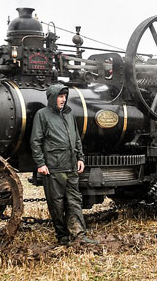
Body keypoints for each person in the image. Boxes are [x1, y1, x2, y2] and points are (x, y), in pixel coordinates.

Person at [30, 83, 98, 245]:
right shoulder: (42, 115)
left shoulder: (69, 114)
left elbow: (76, 139)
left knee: (74, 200)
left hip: (71, 166)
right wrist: (40, 163)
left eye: (64, 96)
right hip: (54, 168)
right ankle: (63, 237)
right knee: (57, 203)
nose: (63, 99)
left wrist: (80, 158)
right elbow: (36, 141)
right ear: (53, 98)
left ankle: (79, 235)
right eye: (60, 96)